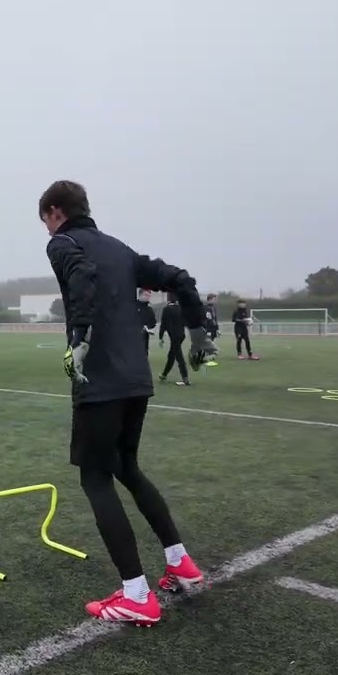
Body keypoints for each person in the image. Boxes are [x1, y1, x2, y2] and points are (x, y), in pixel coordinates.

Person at [40, 179, 217, 626]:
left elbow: (80, 275)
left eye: (44, 220)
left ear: (55, 212)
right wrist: (198, 328)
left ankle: (136, 593)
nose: (45, 230)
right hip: (137, 380)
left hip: (99, 380)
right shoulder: (120, 249)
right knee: (126, 467)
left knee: (95, 478)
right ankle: (180, 562)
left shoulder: (62, 242)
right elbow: (178, 278)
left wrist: (80, 335)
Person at [156, 292, 191, 386]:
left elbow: (163, 324)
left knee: (179, 356)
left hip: (174, 336)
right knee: (171, 355)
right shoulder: (181, 308)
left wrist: (161, 337)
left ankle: (185, 378)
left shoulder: (167, 309)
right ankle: (164, 374)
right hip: (181, 335)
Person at [136, 289, 157, 354]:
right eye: (146, 295)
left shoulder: (149, 309)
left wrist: (147, 327)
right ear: (140, 295)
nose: (148, 297)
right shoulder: (133, 306)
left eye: (149, 296)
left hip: (144, 338)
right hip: (133, 337)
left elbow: (153, 322)